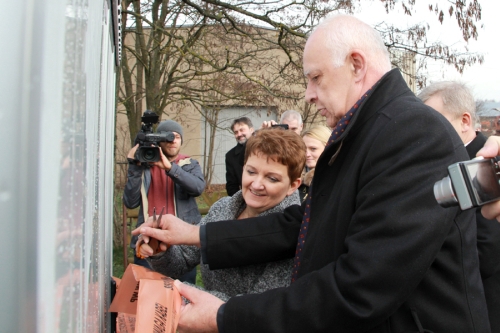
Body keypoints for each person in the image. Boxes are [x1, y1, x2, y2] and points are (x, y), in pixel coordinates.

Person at [137, 14, 490, 333]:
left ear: (356, 64)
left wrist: (225, 316)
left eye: (316, 78)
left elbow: (363, 286)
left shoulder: (412, 134)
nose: (308, 95)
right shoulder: (369, 134)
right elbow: (303, 225)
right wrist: (195, 235)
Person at [135, 128, 304, 301]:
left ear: (293, 185)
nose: (257, 184)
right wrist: (160, 251)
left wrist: (174, 295)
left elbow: (257, 308)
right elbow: (184, 259)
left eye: (272, 178)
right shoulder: (223, 208)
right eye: (251, 172)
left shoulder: (294, 237)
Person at [418, 81, 500, 332]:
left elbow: (484, 254)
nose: (423, 132)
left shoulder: (488, 164)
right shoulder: (436, 162)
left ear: (465, 121)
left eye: (433, 121)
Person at [123, 119, 205, 284]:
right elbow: (130, 202)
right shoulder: (144, 166)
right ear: (158, 140)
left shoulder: (188, 164)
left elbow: (197, 188)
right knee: (146, 300)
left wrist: (169, 168)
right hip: (148, 243)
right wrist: (134, 167)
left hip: (182, 245)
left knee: (183, 300)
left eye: (177, 136)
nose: (173, 140)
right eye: (168, 137)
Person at [298, 125, 331, 201]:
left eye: (313, 149)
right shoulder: (295, 176)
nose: (307, 154)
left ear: (327, 149)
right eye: (304, 149)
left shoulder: (333, 180)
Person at [225, 117, 254, 196]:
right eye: (236, 132)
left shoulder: (265, 149)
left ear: (251, 130)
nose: (239, 134)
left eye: (242, 130)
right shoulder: (230, 156)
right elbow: (231, 185)